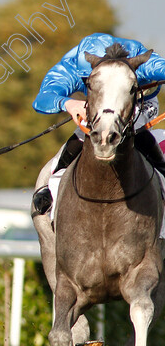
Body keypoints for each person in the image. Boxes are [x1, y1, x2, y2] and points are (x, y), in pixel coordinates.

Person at [32, 33, 165, 215]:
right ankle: (53, 184)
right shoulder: (71, 66)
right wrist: (68, 103)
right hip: (98, 103)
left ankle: (161, 173)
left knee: (132, 125)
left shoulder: (140, 60)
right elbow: (42, 100)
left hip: (139, 101)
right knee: (88, 128)